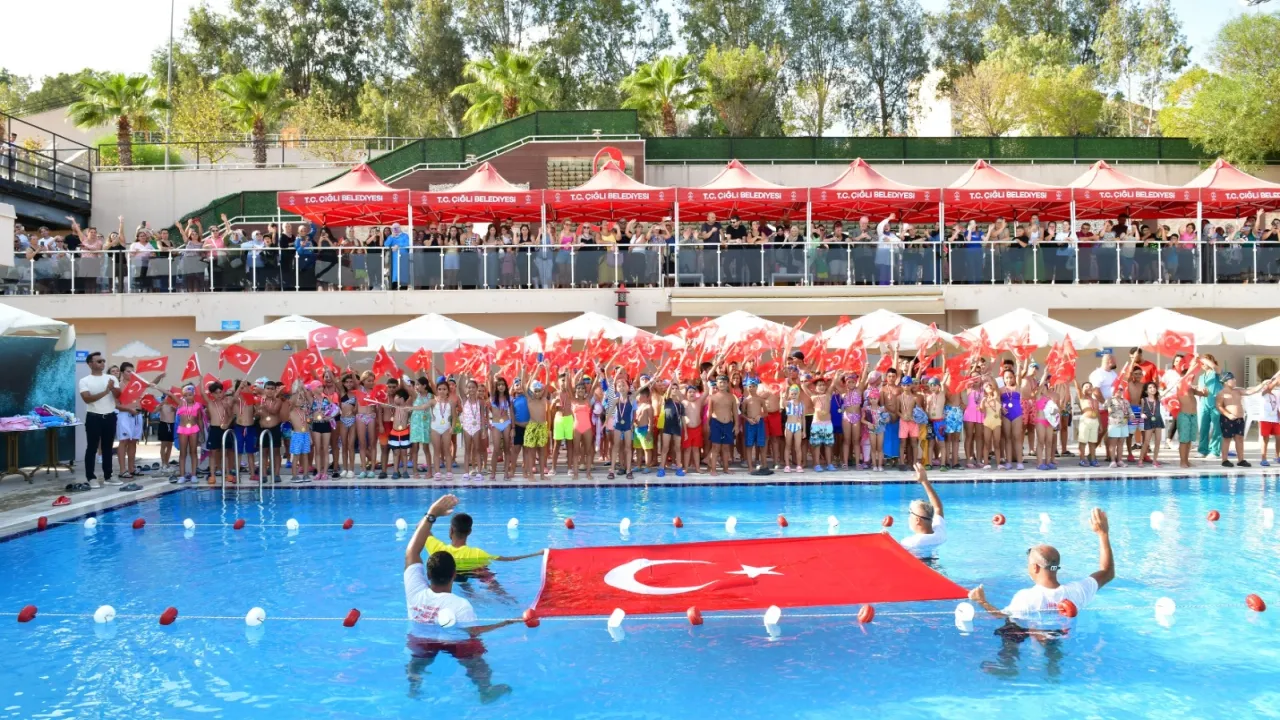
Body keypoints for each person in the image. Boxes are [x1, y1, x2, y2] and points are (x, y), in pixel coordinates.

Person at [403, 495, 521, 704]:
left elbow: (412, 550)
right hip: (455, 640)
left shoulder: (415, 592)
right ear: (453, 575)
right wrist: (506, 623)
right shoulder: (460, 605)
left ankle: (414, 687)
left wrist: (431, 514)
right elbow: (474, 632)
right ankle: (485, 690)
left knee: (417, 661)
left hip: (421, 638)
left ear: (427, 574)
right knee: (475, 658)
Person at [968, 508, 1115, 622]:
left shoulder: (1026, 598)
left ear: (1035, 567)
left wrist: (981, 601)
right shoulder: (1077, 591)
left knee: (1009, 630)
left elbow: (1000, 616)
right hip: (1065, 633)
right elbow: (1107, 572)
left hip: (1036, 637)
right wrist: (1103, 534)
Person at [78, 352, 120, 489]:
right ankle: (91, 477)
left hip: (109, 416)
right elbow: (87, 399)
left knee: (108, 447)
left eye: (103, 361)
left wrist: (112, 389)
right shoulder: (85, 380)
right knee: (92, 447)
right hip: (94, 417)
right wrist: (105, 391)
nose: (102, 363)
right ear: (90, 364)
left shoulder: (111, 378)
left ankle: (108, 476)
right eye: (99, 361)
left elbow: (118, 395)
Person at [899, 463, 945, 558]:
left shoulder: (910, 543)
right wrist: (925, 481)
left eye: (910, 513)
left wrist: (885, 537)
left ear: (917, 520)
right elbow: (938, 507)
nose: (908, 517)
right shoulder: (940, 533)